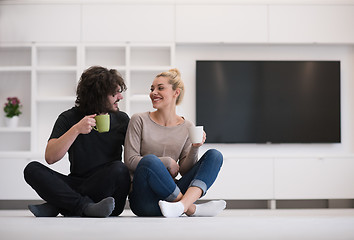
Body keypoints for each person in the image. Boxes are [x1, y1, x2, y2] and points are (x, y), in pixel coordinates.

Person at [24, 66, 131, 217]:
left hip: (109, 194)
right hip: (77, 182)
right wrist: (76, 130)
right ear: (98, 95)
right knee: (32, 169)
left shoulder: (122, 119)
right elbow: (50, 157)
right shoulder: (69, 118)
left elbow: (134, 156)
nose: (120, 97)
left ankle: (59, 205)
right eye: (115, 93)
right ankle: (84, 206)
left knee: (119, 169)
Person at [124, 68, 226, 218]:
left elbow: (184, 171)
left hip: (170, 198)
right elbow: (130, 160)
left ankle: (181, 206)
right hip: (145, 200)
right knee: (150, 161)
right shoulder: (139, 120)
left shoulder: (187, 127)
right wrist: (167, 162)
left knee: (215, 155)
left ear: (176, 92)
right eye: (152, 89)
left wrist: (195, 147)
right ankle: (191, 209)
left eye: (160, 88)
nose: (153, 92)